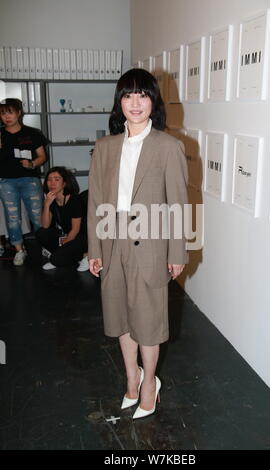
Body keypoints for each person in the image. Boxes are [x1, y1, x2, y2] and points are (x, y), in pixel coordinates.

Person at [88, 68, 189, 419]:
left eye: (142, 95)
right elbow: (97, 202)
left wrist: (177, 252)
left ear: (153, 102)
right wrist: (95, 249)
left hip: (152, 247)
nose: (135, 103)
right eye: (128, 95)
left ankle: (150, 384)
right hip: (112, 244)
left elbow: (178, 204)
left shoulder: (169, 147)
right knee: (120, 317)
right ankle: (132, 379)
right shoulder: (104, 147)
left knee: (147, 321)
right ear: (119, 102)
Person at [0, 98, 48, 266]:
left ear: (19, 113)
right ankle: (19, 250)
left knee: (37, 216)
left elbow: (42, 156)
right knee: (13, 218)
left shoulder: (32, 133)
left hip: (30, 180)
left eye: (10, 112)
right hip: (6, 181)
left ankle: (45, 246)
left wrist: (32, 163)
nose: (7, 117)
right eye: (3, 113)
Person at [36, 166, 88, 271]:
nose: (52, 183)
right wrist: (46, 205)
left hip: (83, 237)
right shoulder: (51, 200)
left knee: (55, 258)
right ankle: (70, 256)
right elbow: (45, 225)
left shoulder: (74, 200)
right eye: (49, 180)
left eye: (56, 179)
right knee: (41, 233)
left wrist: (62, 248)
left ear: (64, 183)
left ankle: (86, 255)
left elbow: (75, 230)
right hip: (67, 236)